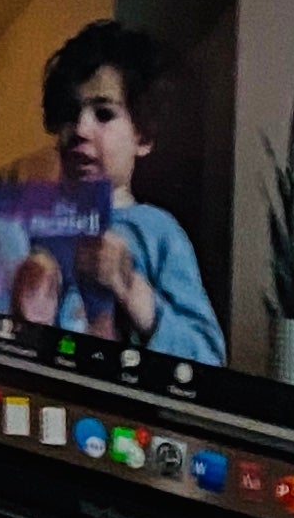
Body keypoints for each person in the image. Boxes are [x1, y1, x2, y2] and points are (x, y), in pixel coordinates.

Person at [40, 19, 228, 364]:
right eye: (70, 113)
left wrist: (132, 291)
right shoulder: (36, 225)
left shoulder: (159, 231)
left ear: (142, 136)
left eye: (104, 113)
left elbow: (209, 358)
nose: (80, 128)